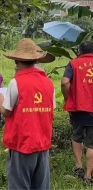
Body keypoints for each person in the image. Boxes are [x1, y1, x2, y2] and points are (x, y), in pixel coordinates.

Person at [0, 38, 55, 190]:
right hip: (42, 144)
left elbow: (6, 112)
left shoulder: (16, 82)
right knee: (41, 186)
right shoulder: (49, 83)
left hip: (21, 144)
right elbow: (50, 108)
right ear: (36, 60)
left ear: (16, 61)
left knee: (20, 185)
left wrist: (0, 99)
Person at [61, 41, 93, 184]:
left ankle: (79, 166)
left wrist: (68, 98)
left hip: (78, 108)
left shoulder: (73, 63)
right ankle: (88, 176)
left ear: (80, 51)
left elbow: (64, 82)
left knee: (77, 136)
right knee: (92, 144)